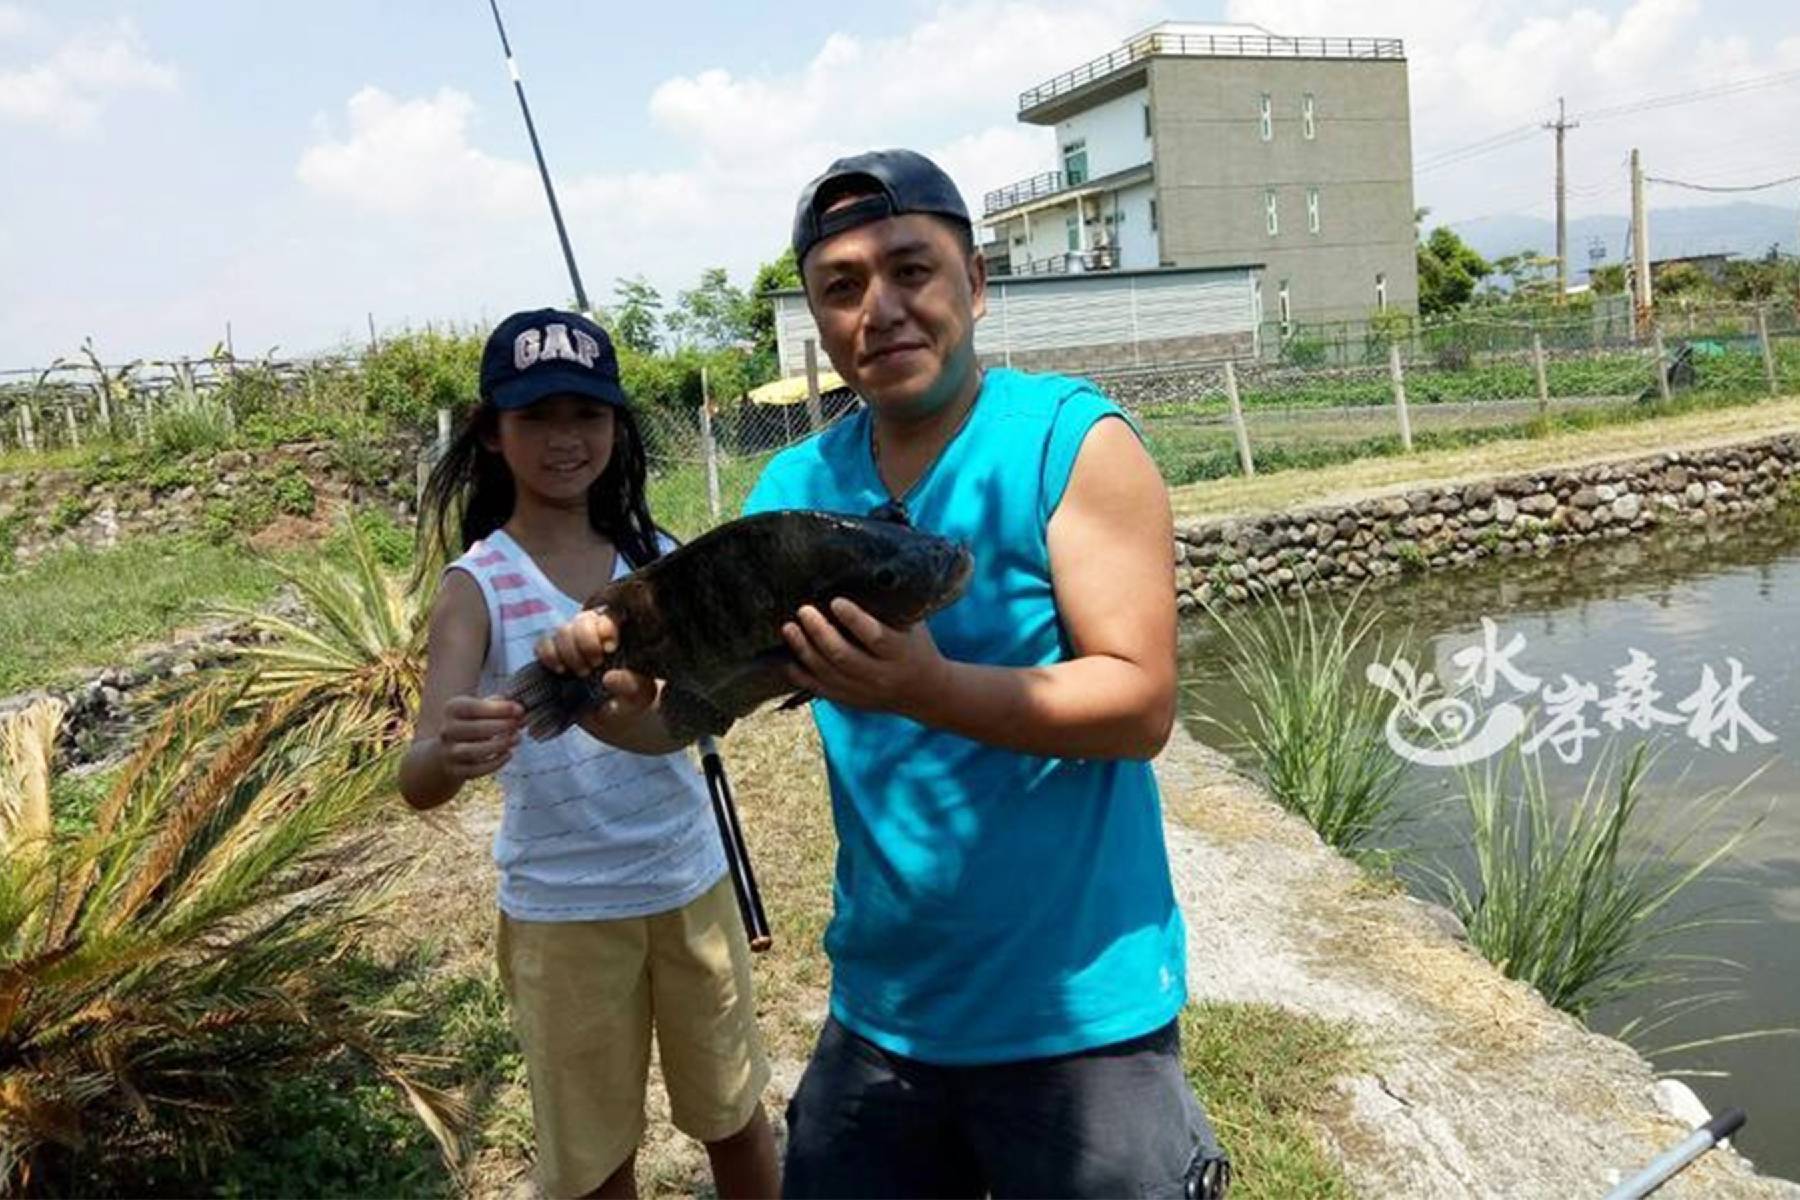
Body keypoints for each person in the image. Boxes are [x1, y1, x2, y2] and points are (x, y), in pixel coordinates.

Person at [538, 152, 1227, 1197]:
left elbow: (1140, 706)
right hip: (885, 1010)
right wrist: (593, 689)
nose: (882, 309)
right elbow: (683, 719)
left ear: (977, 284)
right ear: (818, 318)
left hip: (1082, 1015)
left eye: (912, 270)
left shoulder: (1070, 444)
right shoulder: (794, 488)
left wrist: (928, 689)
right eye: (843, 288)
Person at [397, 308, 778, 1200]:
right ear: (492, 432)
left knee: (734, 1116)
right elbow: (416, 779)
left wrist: (667, 700)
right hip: (561, 916)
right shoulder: (477, 585)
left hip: (689, 886)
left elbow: (699, 712)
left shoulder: (664, 561)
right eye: (537, 417)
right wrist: (450, 751)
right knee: (596, 1157)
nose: (566, 439)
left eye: (588, 415)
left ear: (617, 427)